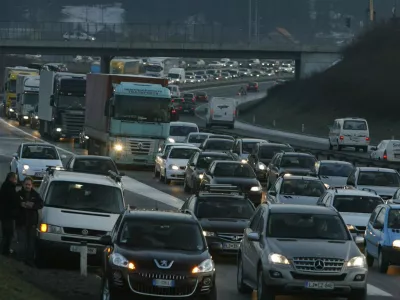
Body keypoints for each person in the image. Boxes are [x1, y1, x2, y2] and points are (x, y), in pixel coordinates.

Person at [15, 177, 43, 265]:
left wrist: (33, 205)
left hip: (32, 223)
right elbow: (13, 203)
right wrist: (20, 204)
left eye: (29, 184)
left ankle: (29, 261)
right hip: (21, 222)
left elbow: (41, 204)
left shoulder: (35, 194)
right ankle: (20, 260)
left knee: (31, 243)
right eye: (26, 184)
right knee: (22, 242)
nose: (27, 186)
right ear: (23, 184)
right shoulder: (18, 194)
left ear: (32, 185)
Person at [0, 172, 19, 256]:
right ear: (11, 178)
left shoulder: (6, 186)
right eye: (15, 179)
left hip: (5, 215)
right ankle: (5, 251)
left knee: (7, 233)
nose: (16, 181)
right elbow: (12, 201)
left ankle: (5, 249)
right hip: (7, 215)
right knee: (8, 233)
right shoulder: (9, 188)